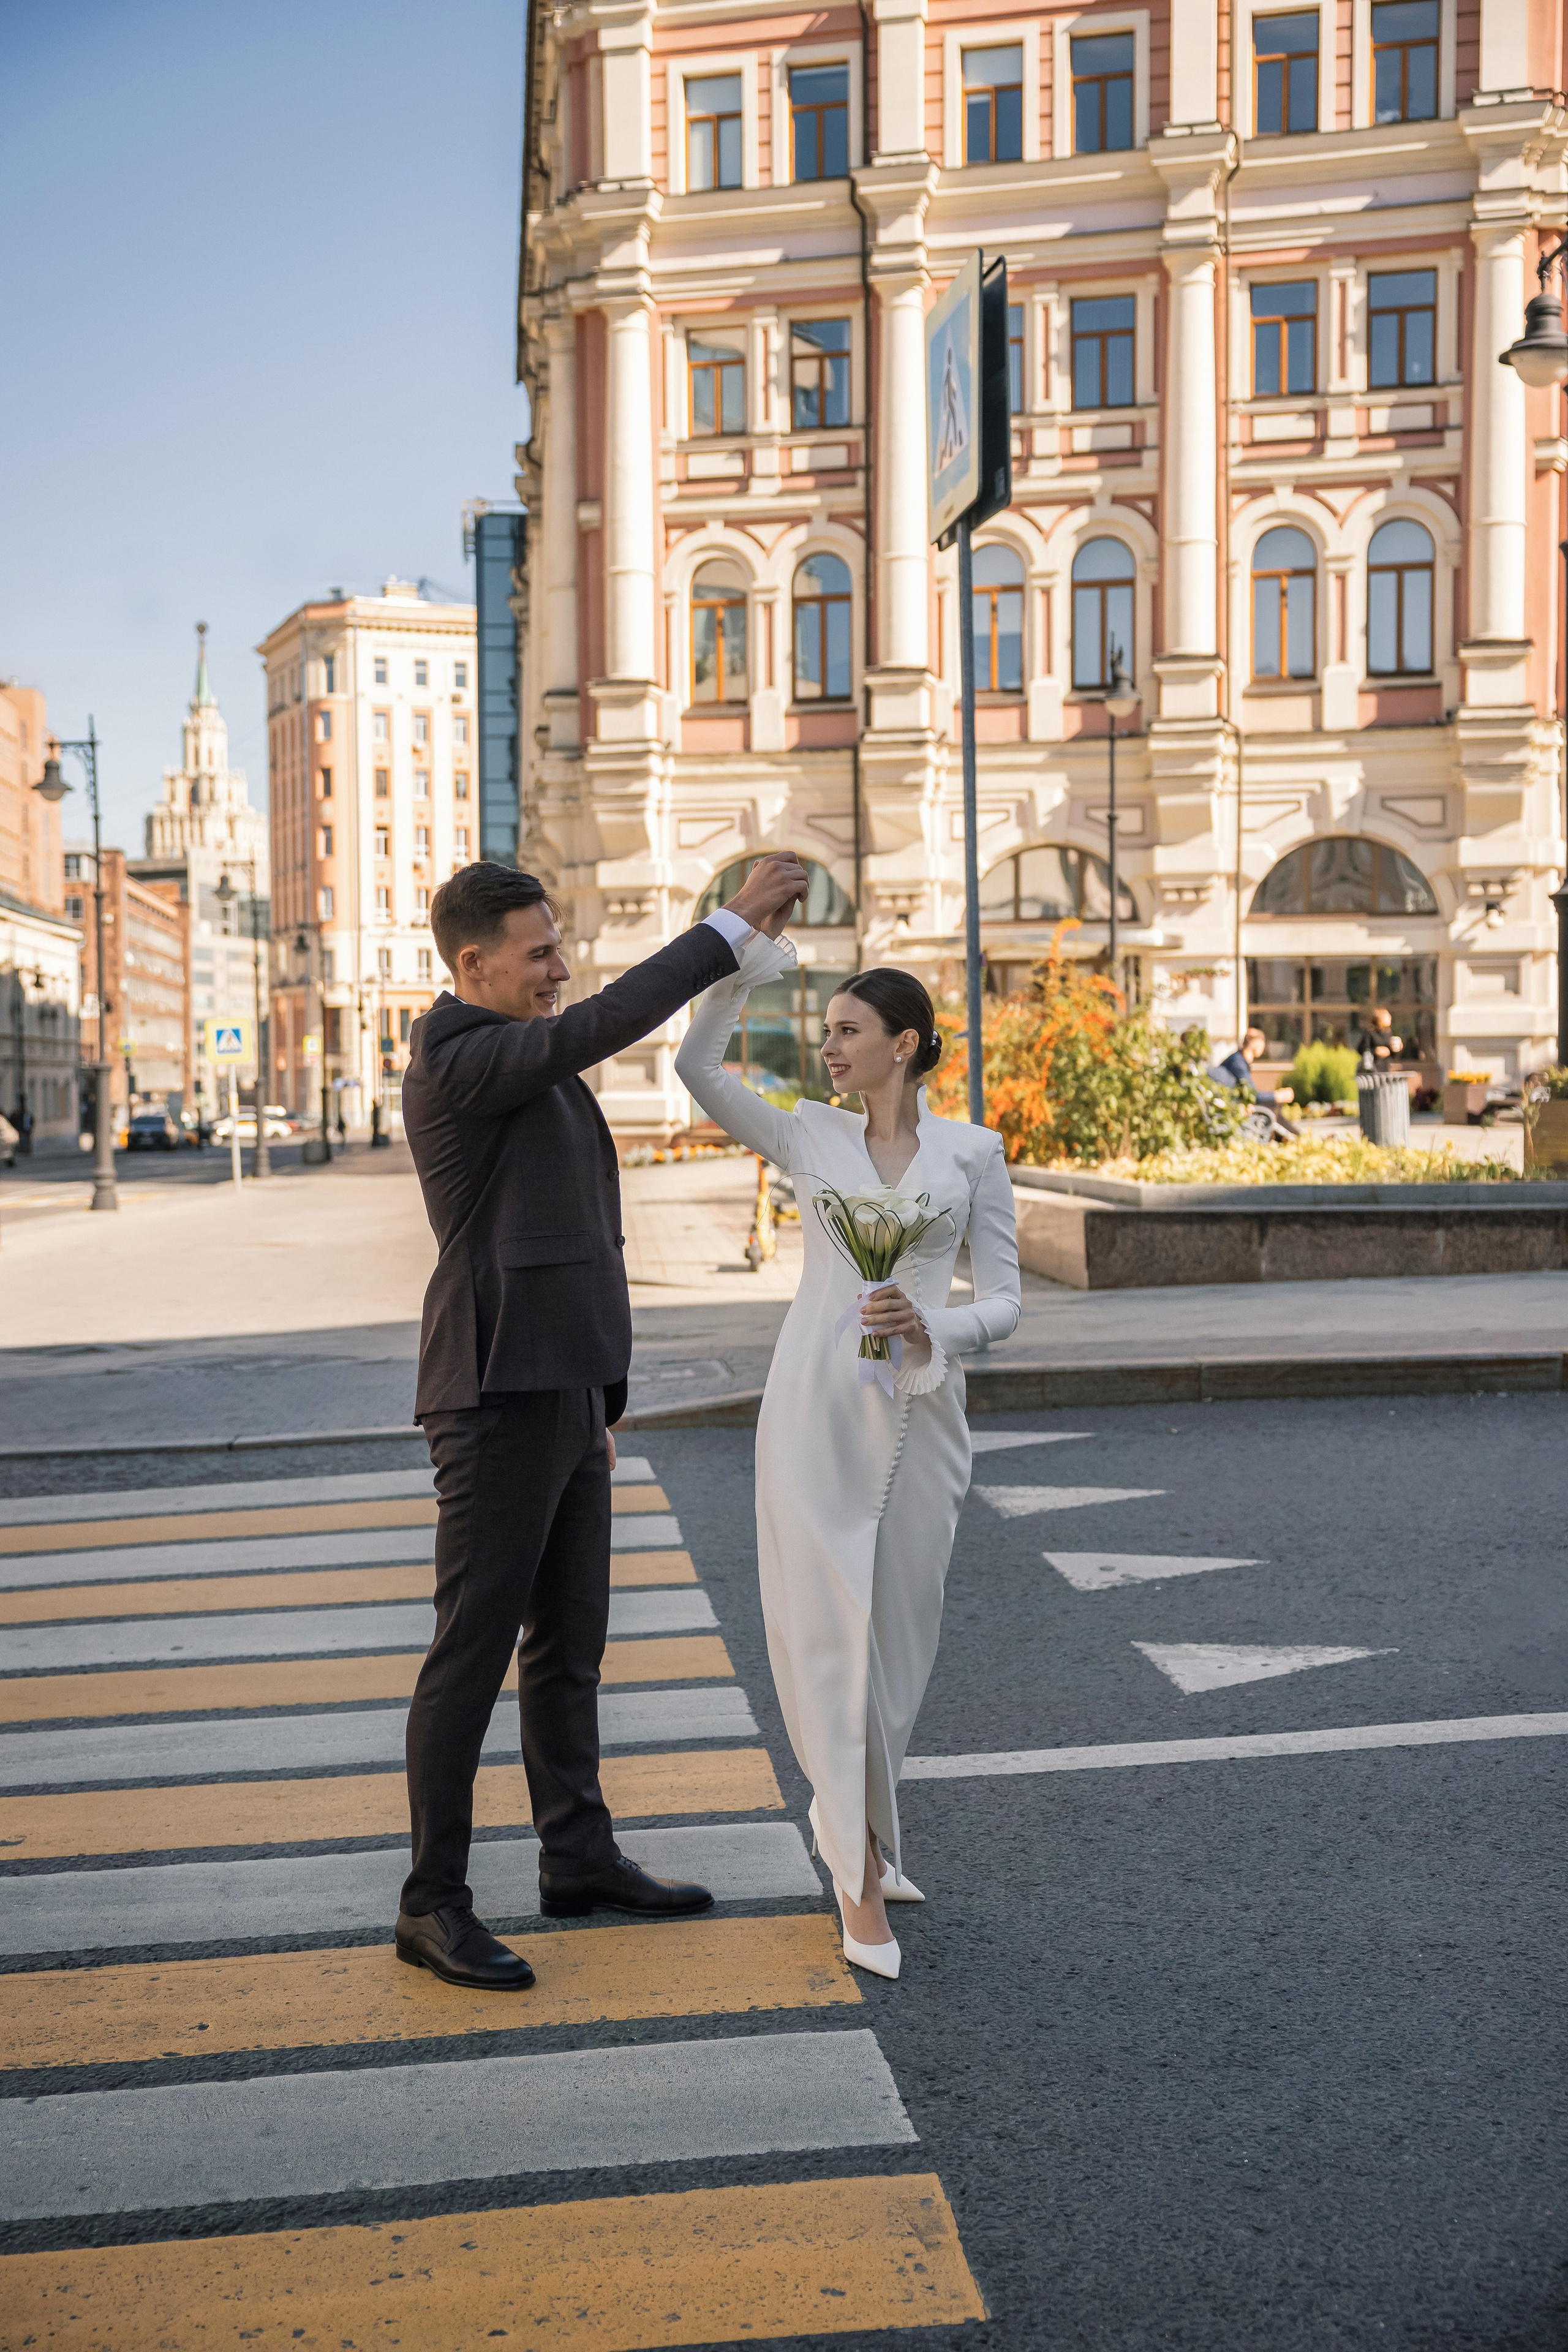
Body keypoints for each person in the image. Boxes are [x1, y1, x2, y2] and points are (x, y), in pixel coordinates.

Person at [393, 853, 807, 1992]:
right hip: (493, 1394)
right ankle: (432, 1903)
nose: (561, 968)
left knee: (569, 1649)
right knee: (470, 1659)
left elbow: (572, 1227)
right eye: (539, 952)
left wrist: (596, 1402)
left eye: (559, 945)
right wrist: (725, 929)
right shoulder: (462, 1056)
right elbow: (614, 1018)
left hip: (565, 1392)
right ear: (471, 964)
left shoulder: (521, 1054)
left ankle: (576, 1859)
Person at [676, 932, 1021, 1980]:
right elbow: (695, 1070)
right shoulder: (808, 1138)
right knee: (826, 1627)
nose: (828, 1047)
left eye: (847, 1031)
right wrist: (737, 972)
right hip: (815, 1406)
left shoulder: (974, 1153)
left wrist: (935, 1328)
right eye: (825, 1030)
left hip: (924, 1412)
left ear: (902, 1045)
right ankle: (853, 1872)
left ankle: (872, 1824)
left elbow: (1006, 1303)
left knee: (899, 1644)